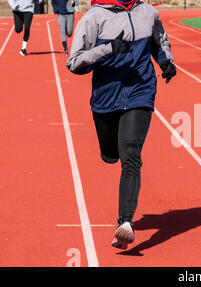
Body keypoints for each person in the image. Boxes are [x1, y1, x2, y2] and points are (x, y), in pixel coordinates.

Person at [66, 0, 176, 250]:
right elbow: (74, 62)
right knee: (111, 154)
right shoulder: (93, 18)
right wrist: (108, 49)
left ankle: (124, 223)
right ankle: (109, 152)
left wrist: (166, 61)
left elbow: (159, 42)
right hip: (106, 98)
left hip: (141, 91)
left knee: (131, 155)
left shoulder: (148, 12)